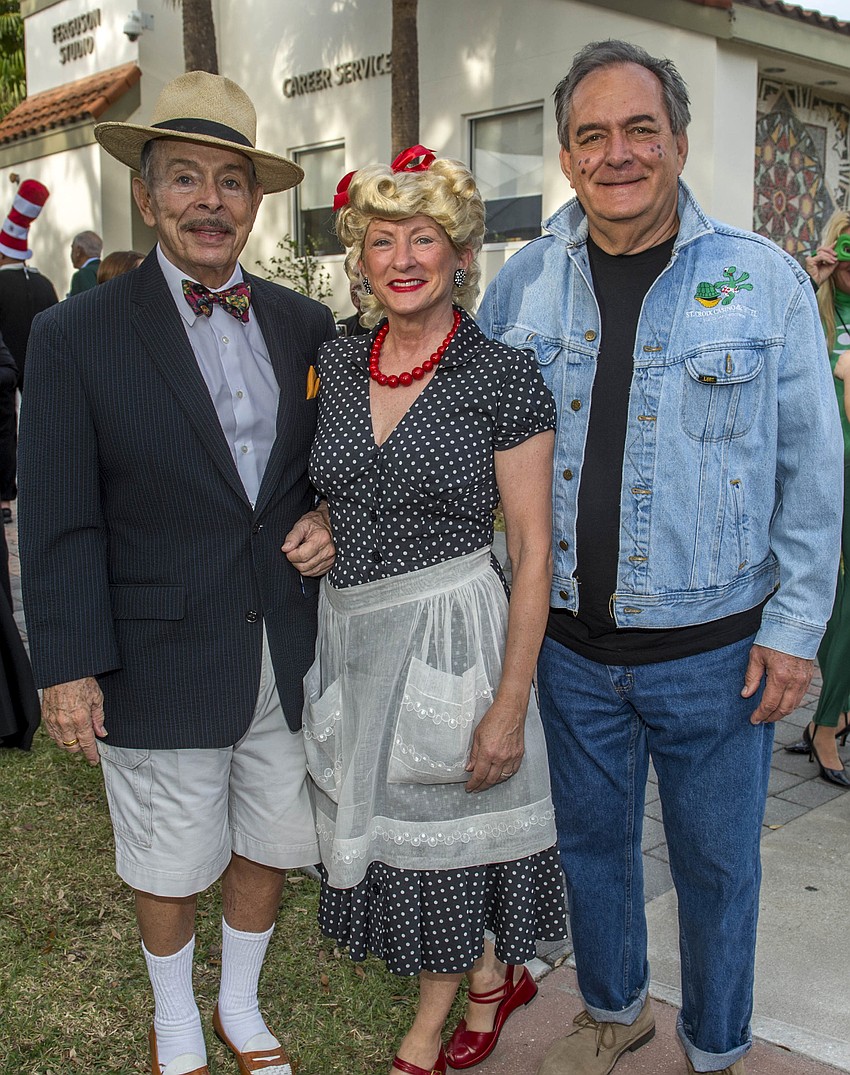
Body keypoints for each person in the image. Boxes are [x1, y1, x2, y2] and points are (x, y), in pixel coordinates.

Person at [477, 40, 843, 1075]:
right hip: (567, 651)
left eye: (641, 129)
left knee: (718, 865)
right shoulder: (523, 289)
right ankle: (612, 1008)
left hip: (715, 657)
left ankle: (716, 1044)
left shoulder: (761, 283)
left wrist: (793, 631)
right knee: (592, 850)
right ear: (564, 156)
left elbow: (813, 478)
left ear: (679, 142)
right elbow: (476, 448)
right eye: (591, 134)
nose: (618, 152)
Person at [18, 71, 337, 1075]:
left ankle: (239, 1005)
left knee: (273, 837)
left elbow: (332, 465)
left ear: (255, 201)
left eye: (231, 181)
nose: (211, 200)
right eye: (186, 179)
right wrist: (66, 664)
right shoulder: (74, 335)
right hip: (153, 654)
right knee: (169, 853)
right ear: (147, 198)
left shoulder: (303, 325)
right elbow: (58, 514)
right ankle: (175, 1016)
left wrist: (329, 511)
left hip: (283, 643)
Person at [306, 147, 567, 1075]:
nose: (405, 257)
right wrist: (322, 519)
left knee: (447, 838)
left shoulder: (503, 375)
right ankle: (496, 972)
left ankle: (432, 1020)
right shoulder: (337, 360)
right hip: (355, 631)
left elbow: (534, 548)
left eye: (428, 237)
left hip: (456, 630)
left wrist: (509, 703)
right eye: (384, 239)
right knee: (385, 821)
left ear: (463, 254)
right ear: (361, 257)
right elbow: (347, 482)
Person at [783, 211, 850, 787]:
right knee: (832, 598)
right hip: (829, 472)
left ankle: (829, 718)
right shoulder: (812, 304)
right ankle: (825, 725)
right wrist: (813, 273)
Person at [0, 179, 58, 524]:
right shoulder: (43, 283)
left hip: (6, 368)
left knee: (6, 432)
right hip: (39, 365)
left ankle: (6, 497)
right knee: (45, 431)